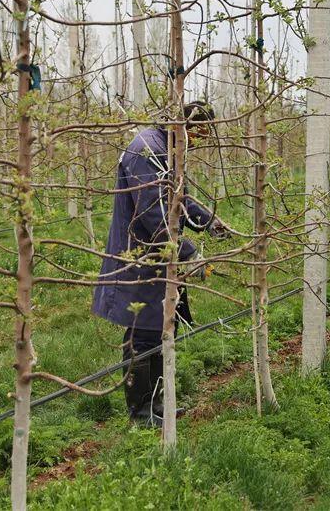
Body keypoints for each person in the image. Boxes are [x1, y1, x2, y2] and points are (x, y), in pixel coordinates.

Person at [91, 101, 226, 426]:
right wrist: (187, 253)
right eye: (199, 135)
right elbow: (153, 212)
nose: (198, 143)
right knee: (142, 333)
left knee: (162, 328)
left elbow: (179, 198)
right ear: (187, 126)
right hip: (140, 256)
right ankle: (140, 415)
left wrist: (208, 220)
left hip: (160, 256)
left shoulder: (168, 147)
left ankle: (159, 406)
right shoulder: (147, 152)